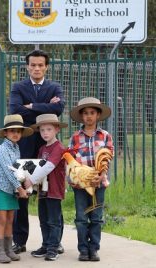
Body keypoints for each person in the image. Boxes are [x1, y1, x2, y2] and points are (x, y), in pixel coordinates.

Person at [9, 49, 65, 254]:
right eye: (33, 65)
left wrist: (31, 106)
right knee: (22, 193)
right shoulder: (18, 87)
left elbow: (59, 109)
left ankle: (53, 242)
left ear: (46, 67)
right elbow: (15, 110)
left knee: (50, 195)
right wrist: (44, 108)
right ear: (27, 66)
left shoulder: (54, 87)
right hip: (24, 147)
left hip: (48, 147)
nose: (37, 68)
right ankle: (20, 240)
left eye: (40, 65)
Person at [68, 97, 114, 262]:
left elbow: (108, 157)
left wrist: (100, 175)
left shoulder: (105, 136)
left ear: (98, 115)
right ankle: (83, 249)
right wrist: (78, 177)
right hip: (80, 184)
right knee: (81, 217)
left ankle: (94, 248)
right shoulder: (75, 137)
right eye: (85, 113)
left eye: (92, 113)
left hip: (98, 182)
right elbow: (71, 160)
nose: (89, 116)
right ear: (81, 116)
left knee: (96, 216)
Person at [0, 114, 33, 263]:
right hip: (0, 188)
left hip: (11, 190)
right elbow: (9, 171)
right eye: (12, 130)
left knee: (10, 220)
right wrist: (20, 189)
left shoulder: (16, 149)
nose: (16, 134)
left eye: (19, 131)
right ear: (5, 133)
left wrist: (24, 183)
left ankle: (8, 249)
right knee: (2, 219)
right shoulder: (1, 150)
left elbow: (18, 169)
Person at [24, 114, 67, 261]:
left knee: (54, 220)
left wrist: (31, 179)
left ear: (56, 130)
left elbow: (49, 166)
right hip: (43, 190)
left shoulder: (59, 147)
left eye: (49, 129)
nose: (45, 133)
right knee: (43, 219)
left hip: (54, 189)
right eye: (42, 130)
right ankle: (46, 244)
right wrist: (33, 184)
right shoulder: (42, 148)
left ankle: (53, 248)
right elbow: (37, 167)